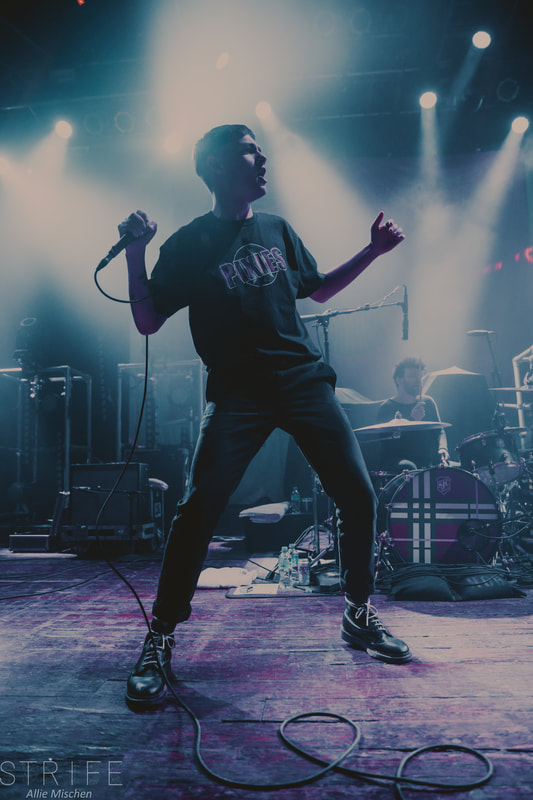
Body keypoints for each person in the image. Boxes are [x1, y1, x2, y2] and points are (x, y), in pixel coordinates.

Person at [119, 124, 411, 709]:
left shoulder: (277, 229)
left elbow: (318, 291)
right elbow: (147, 321)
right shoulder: (188, 243)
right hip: (239, 393)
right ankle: (160, 637)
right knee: (198, 511)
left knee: (358, 497)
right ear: (217, 166)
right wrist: (135, 252)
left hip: (303, 380)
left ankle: (357, 613)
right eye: (251, 150)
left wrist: (372, 252)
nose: (263, 159)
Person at [376, 357, 449, 472]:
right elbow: (389, 447)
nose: (418, 381)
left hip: (428, 463)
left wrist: (443, 448)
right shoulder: (386, 408)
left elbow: (439, 431)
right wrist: (412, 420)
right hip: (400, 466)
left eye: (420, 376)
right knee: (408, 466)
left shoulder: (428, 402)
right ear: (399, 380)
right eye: (412, 376)